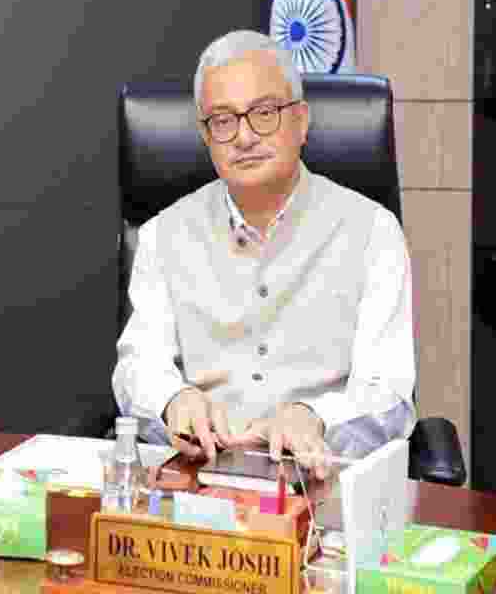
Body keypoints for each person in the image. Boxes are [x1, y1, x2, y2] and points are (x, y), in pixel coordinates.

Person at [113, 30, 415, 477]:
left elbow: (389, 392)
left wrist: (314, 417)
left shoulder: (373, 231)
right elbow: (138, 364)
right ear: (205, 134)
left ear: (302, 121)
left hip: (321, 480)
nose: (245, 136)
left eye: (265, 113)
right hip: (198, 481)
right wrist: (173, 401)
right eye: (223, 119)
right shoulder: (162, 234)